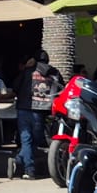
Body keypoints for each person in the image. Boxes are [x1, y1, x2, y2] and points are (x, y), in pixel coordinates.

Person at [12, 50, 62, 180]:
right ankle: (19, 162)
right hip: (41, 111)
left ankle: (28, 169)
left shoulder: (28, 71)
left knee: (26, 140)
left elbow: (15, 87)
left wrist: (25, 70)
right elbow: (61, 89)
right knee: (34, 140)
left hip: (24, 108)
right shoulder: (54, 72)